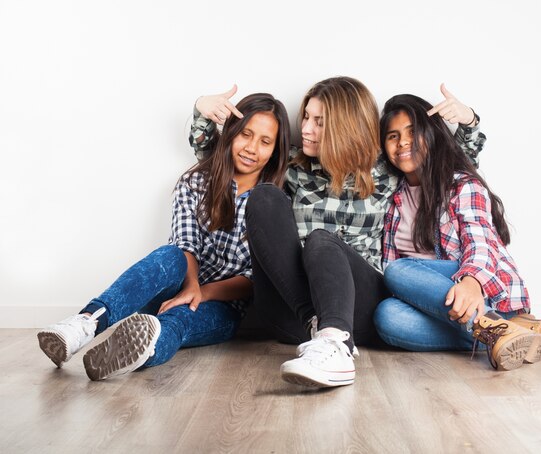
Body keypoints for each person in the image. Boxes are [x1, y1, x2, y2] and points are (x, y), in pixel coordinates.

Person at [199, 78, 485, 387]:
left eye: (319, 122)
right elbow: (225, 161)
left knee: (323, 241)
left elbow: (448, 163)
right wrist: (203, 112)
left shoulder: (384, 171)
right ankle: (318, 328)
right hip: (292, 311)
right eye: (306, 117)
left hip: (357, 311)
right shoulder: (294, 167)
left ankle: (335, 340)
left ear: (344, 127)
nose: (306, 128)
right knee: (265, 196)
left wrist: (468, 120)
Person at [37, 92, 291, 380]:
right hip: (174, 285)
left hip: (221, 308)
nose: (252, 148)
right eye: (246, 134)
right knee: (170, 254)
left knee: (176, 321)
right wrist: (191, 285)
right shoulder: (194, 182)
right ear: (231, 133)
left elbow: (254, 278)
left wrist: (200, 293)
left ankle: (132, 352)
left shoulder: (275, 205)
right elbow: (185, 244)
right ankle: (84, 325)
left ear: (275, 151)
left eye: (265, 141)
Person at [373, 92, 541, 371]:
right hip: (439, 306)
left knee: (397, 270)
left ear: (431, 135)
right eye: (392, 136)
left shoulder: (460, 184)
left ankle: (496, 326)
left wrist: (471, 282)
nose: (403, 142)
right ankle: (515, 331)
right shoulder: (390, 198)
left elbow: (479, 241)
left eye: (412, 131)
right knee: (387, 316)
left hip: (482, 289)